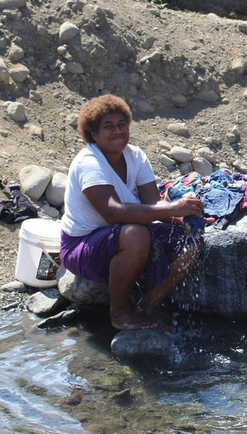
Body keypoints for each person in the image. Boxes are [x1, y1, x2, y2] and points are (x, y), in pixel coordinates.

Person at [60, 94, 209, 331]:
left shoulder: (135, 156)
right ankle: (119, 312)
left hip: (123, 234)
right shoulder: (89, 163)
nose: (117, 131)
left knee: (192, 241)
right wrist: (174, 206)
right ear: (93, 134)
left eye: (121, 125)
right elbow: (113, 213)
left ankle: (148, 304)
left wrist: (184, 217)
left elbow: (153, 204)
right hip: (83, 244)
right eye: (108, 127)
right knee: (136, 234)